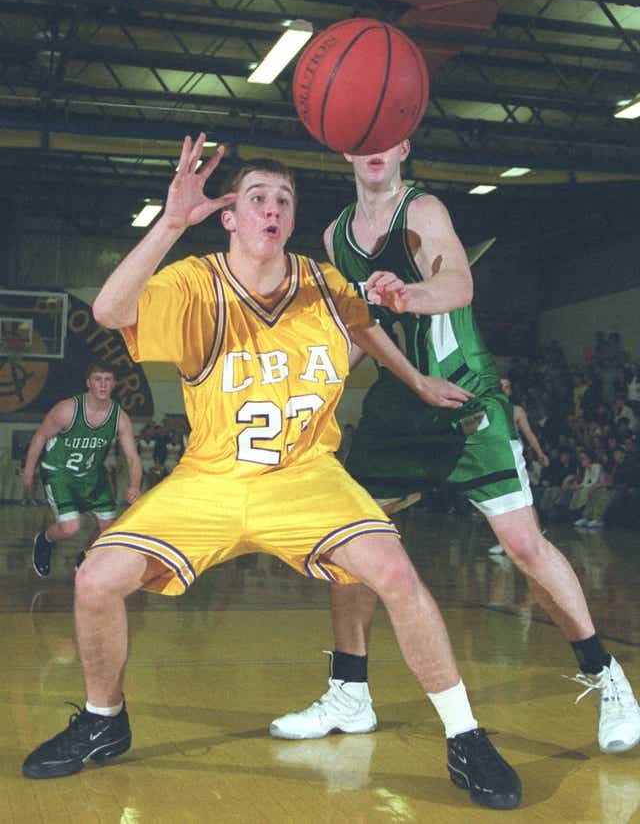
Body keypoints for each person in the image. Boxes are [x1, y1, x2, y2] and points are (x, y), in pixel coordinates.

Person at [21, 133, 522, 811]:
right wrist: (170, 221)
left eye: (284, 198)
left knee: (397, 571)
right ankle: (104, 721)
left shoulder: (323, 281)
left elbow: (371, 325)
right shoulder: (196, 282)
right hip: (212, 479)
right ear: (229, 216)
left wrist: (417, 376)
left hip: (306, 476)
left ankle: (465, 734)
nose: (273, 207)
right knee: (96, 578)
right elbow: (110, 312)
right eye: (257, 196)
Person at [269, 139, 640, 758]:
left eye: (386, 137)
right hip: (398, 403)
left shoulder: (424, 210)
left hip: (464, 391)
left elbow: (458, 283)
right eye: (363, 139)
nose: (375, 150)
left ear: (404, 146)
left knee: (523, 545)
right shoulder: (337, 237)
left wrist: (409, 296)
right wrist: (315, 385)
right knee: (347, 542)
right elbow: (359, 328)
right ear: (345, 151)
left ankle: (610, 680)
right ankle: (349, 693)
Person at [21, 362, 142, 578]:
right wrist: (29, 470)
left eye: (107, 379)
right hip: (59, 472)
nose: (103, 384)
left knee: (109, 529)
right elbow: (40, 436)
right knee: (70, 528)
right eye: (98, 379)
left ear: (114, 384)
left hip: (92, 475)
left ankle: (85, 556)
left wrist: (134, 485)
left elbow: (132, 457)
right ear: (88, 383)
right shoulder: (67, 409)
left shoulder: (120, 417)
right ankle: (44, 540)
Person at [488, 378, 549, 554]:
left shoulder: (517, 411)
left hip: (513, 457)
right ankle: (507, 542)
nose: (504, 390)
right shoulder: (488, 410)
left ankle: (537, 536)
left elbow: (529, 434)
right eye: (501, 387)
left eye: (507, 387)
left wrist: (540, 453)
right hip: (495, 458)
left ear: (510, 391)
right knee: (500, 501)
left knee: (524, 497)